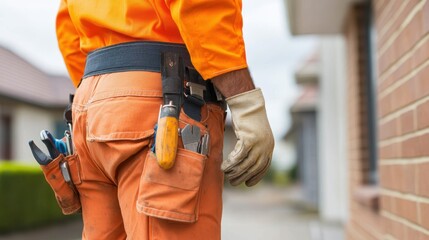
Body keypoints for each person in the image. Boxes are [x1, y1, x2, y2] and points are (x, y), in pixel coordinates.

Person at [56, 0, 274, 239]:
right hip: (162, 97)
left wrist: (108, 96)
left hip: (91, 106)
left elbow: (68, 29)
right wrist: (244, 102)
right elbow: (201, 7)